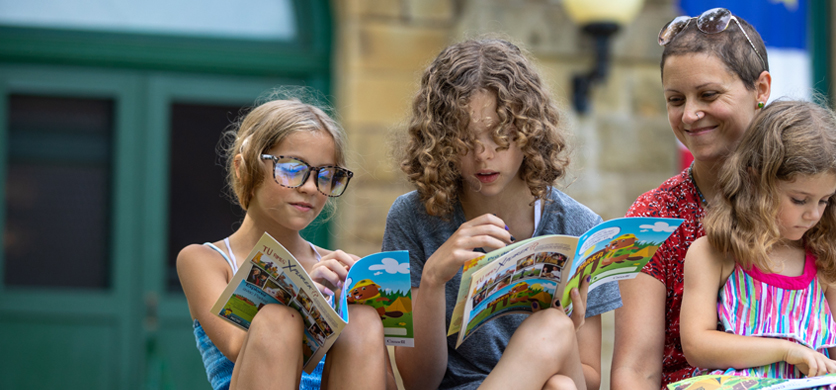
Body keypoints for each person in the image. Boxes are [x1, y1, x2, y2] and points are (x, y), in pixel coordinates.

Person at [612, 7, 836, 389]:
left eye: (708, 94)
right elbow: (635, 370)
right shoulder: (655, 215)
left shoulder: (830, 201)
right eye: (675, 100)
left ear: (761, 89)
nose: (690, 114)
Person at [383, 38, 621, 390]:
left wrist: (564, 332)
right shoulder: (410, 216)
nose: (484, 155)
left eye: (500, 135)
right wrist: (433, 278)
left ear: (528, 131)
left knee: (558, 367)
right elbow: (417, 381)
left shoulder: (579, 226)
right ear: (441, 140)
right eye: (465, 139)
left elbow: (589, 377)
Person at [177, 96, 395, 390]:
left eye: (325, 175)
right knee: (279, 318)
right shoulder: (204, 260)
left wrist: (362, 306)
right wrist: (301, 294)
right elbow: (235, 342)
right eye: (292, 169)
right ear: (244, 169)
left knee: (362, 321)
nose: (309, 188)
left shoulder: (338, 269)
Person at [681, 101, 836, 386]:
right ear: (757, 180)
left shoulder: (828, 260)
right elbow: (697, 346)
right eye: (800, 200)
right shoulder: (715, 253)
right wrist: (787, 351)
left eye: (825, 200)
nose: (813, 214)